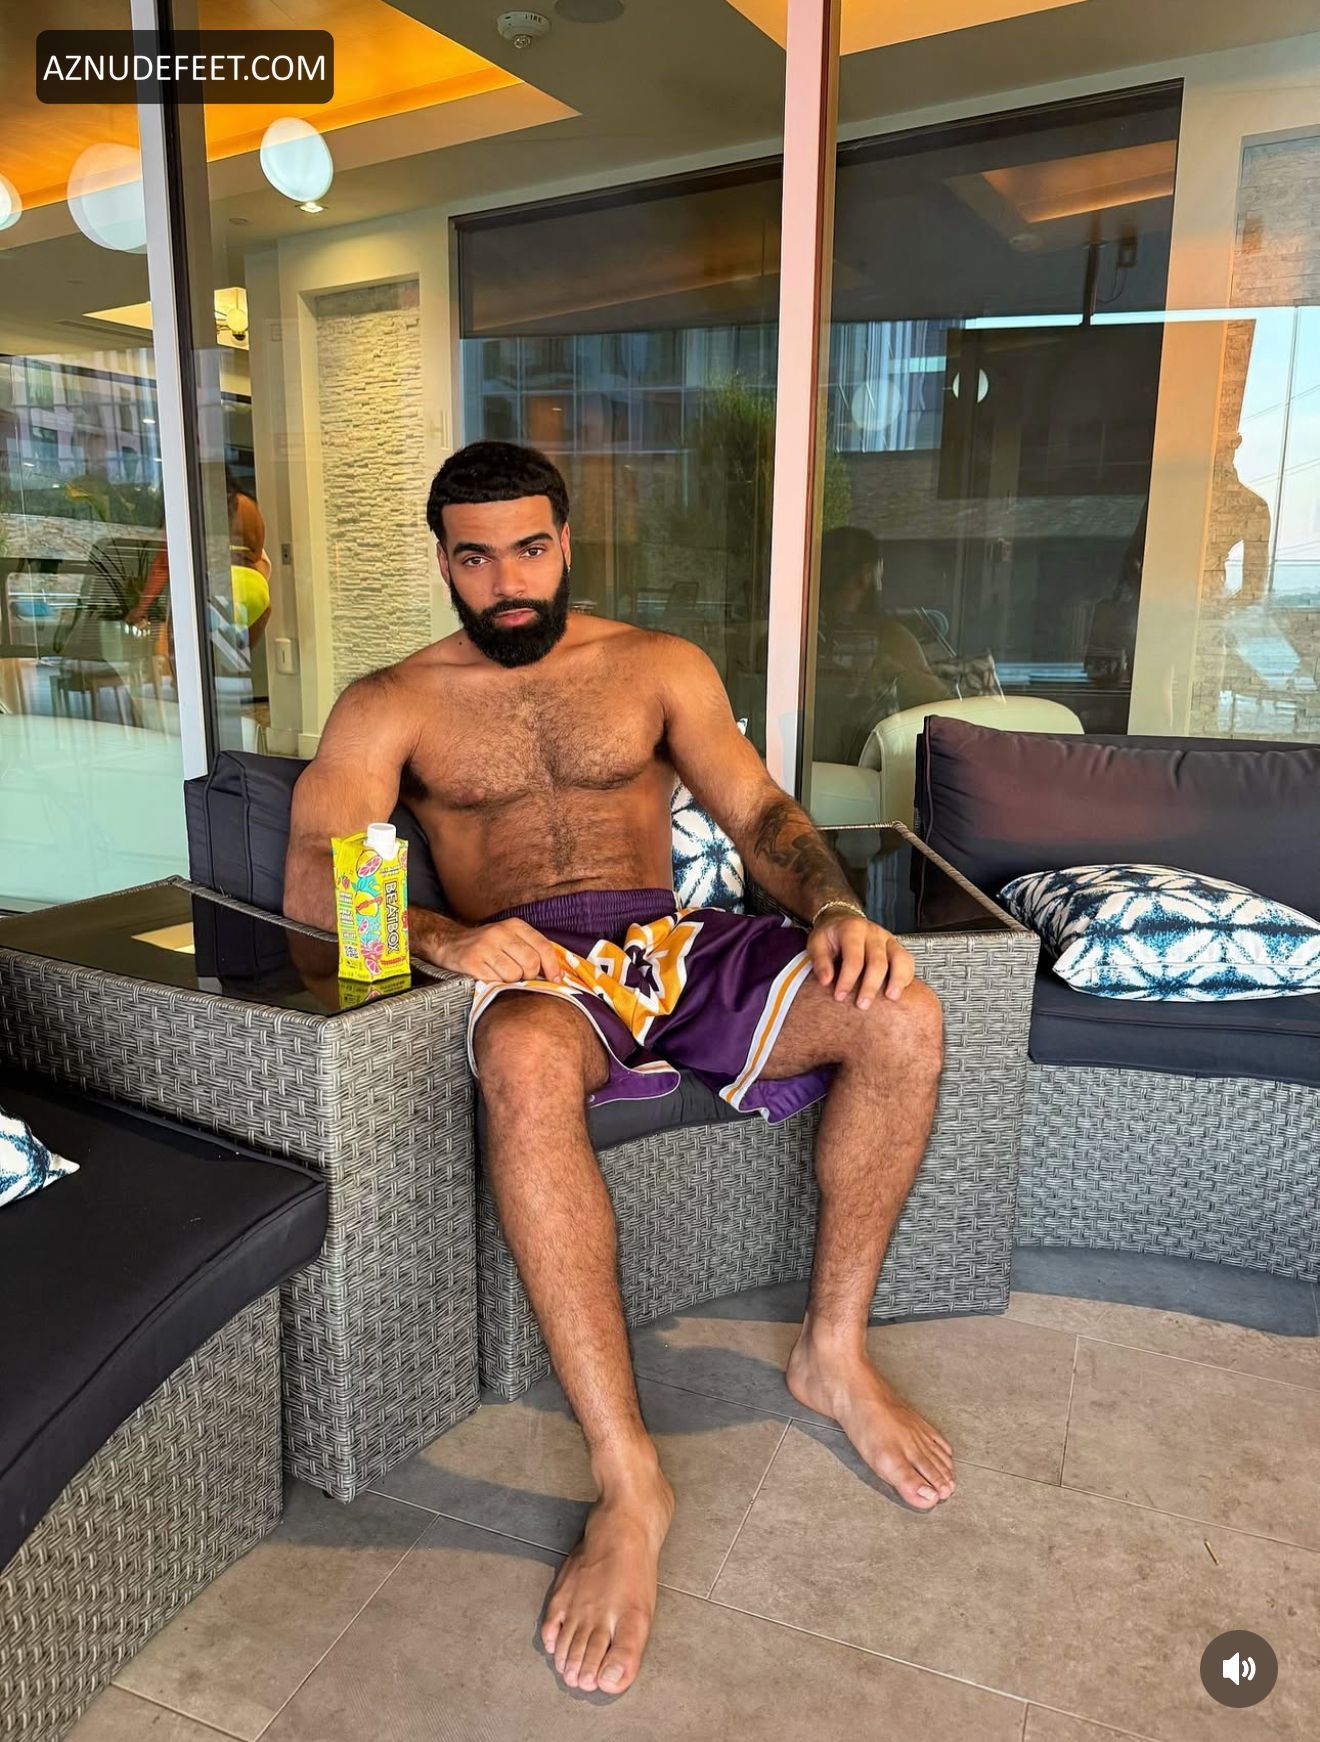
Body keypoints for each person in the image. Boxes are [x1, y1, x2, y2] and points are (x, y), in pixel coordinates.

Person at [283, 441, 952, 1700]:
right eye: (475, 557)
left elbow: (759, 814)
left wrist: (835, 908)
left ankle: (833, 1350)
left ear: (566, 541)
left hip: (672, 939)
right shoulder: (389, 702)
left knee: (900, 1016)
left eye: (529, 548)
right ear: (444, 563)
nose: (507, 581)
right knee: (523, 1061)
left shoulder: (655, 665)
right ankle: (627, 1475)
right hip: (532, 960)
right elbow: (317, 878)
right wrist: (444, 936)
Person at [816, 526, 950, 761]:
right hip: (871, 772)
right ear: (866, 573)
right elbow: (942, 711)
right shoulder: (890, 639)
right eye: (879, 570)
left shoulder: (798, 639)